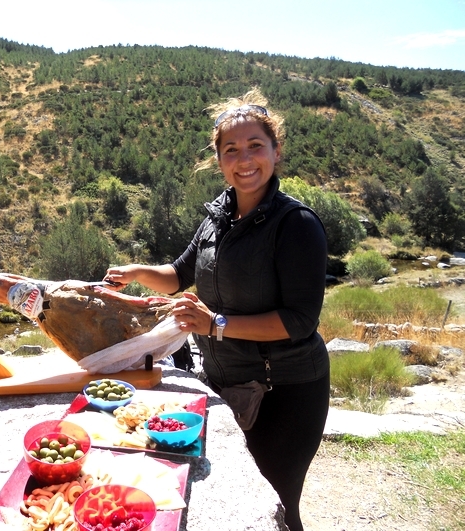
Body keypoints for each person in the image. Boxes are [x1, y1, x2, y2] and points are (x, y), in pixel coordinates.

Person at [104, 89, 330, 531]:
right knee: (232, 499)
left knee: (277, 505)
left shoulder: (296, 225)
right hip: (227, 381)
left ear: (276, 151)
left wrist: (215, 325)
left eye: (255, 146)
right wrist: (136, 272)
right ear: (219, 159)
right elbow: (179, 272)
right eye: (231, 150)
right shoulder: (217, 217)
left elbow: (299, 321)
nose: (244, 159)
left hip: (285, 392)